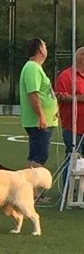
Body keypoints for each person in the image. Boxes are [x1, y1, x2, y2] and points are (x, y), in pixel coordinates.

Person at [19, 38, 59, 174]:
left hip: (42, 120)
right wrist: (41, 116)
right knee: (40, 156)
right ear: (40, 49)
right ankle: (34, 191)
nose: (46, 49)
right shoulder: (32, 68)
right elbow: (33, 93)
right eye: (45, 46)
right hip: (39, 122)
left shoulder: (35, 68)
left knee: (35, 155)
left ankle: (31, 191)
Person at [54, 46, 84, 184]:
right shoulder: (66, 76)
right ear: (81, 57)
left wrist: (73, 98)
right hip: (73, 126)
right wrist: (78, 97)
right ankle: (67, 190)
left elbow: (68, 97)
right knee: (71, 157)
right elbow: (61, 97)